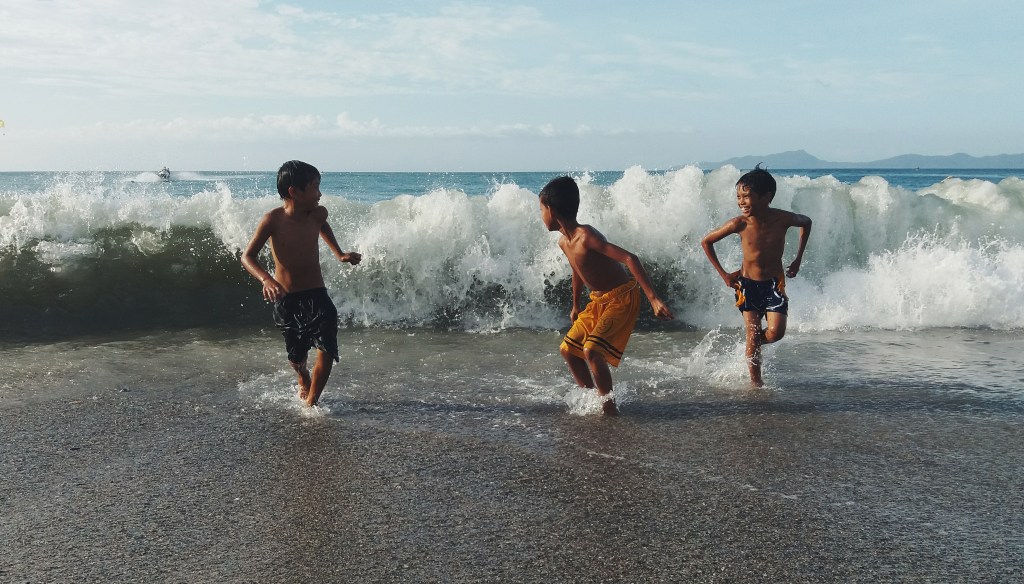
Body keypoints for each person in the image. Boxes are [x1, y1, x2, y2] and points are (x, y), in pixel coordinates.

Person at [539, 176, 674, 415]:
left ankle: (609, 409)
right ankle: (595, 398)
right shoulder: (564, 242)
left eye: (541, 209)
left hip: (622, 298)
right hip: (598, 301)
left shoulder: (586, 236)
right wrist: (575, 304)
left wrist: (653, 298)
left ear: (550, 209)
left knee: (592, 350)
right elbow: (578, 269)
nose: (540, 216)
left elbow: (630, 258)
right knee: (569, 350)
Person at [241, 160, 362, 406]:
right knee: (297, 357)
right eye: (315, 187)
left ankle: (312, 403)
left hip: (317, 293)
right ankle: (302, 374)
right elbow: (247, 256)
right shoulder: (272, 220)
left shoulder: (318, 213)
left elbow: (322, 226)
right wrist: (266, 279)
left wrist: (339, 254)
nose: (319, 194)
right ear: (294, 192)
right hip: (287, 298)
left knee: (327, 348)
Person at [700, 165, 812, 387]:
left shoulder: (782, 219)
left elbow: (806, 222)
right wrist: (724, 275)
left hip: (774, 285)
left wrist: (798, 258)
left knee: (776, 332)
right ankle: (756, 382)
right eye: (738, 197)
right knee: (752, 334)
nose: (741, 202)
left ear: (766, 197)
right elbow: (707, 241)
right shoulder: (739, 223)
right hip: (747, 286)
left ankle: (752, 347)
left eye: (746, 196)